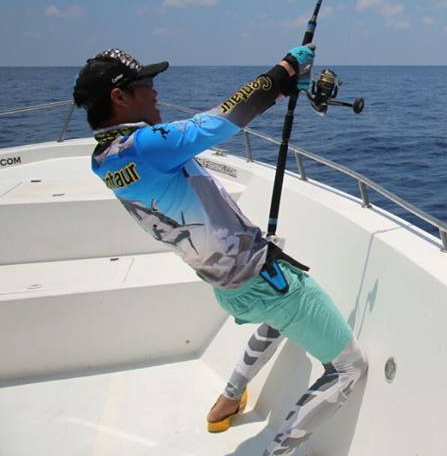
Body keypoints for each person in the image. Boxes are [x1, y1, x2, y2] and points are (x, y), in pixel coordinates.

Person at [72, 46, 368, 456]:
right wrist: (284, 70)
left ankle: (228, 399)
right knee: (349, 367)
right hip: (264, 280)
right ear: (119, 98)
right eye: (145, 85)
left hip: (228, 285)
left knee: (280, 316)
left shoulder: (105, 158)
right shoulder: (145, 147)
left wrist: (281, 89)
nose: (155, 93)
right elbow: (218, 120)